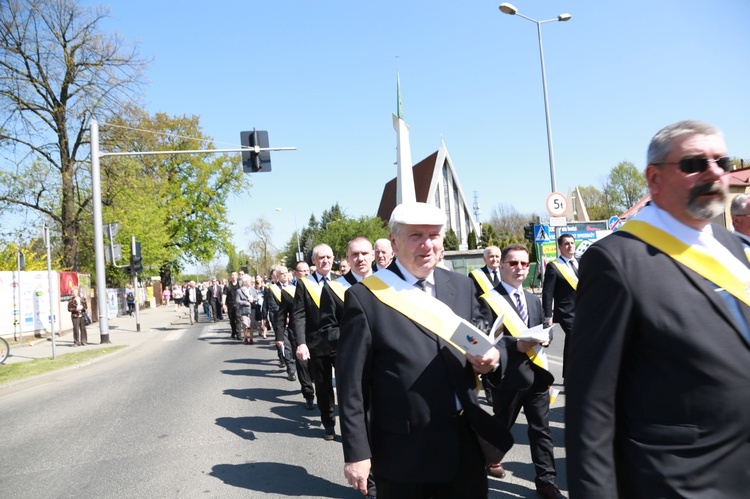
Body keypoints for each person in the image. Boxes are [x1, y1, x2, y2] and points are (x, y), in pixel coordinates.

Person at [566, 120, 750, 498]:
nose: (714, 172)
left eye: (722, 161)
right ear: (654, 178)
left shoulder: (730, 245)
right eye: (693, 163)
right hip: (679, 481)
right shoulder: (616, 260)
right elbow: (592, 408)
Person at [337, 202, 513, 498]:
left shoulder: (462, 286)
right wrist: (356, 452)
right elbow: (351, 384)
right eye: (416, 235)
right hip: (404, 453)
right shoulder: (365, 297)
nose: (427, 244)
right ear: (394, 241)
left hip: (464, 447)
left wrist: (494, 360)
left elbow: (487, 341)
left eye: (434, 235)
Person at [479, 244, 564, 499]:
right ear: (502, 265)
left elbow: (539, 329)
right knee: (500, 428)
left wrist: (544, 338)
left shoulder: (532, 299)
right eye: (513, 263)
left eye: (524, 264)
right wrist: (515, 344)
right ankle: (487, 459)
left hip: (536, 376)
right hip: (507, 378)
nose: (519, 269)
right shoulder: (487, 301)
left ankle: (546, 481)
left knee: (541, 430)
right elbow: (482, 341)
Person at [294, 243, 339, 440]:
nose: (325, 261)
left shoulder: (341, 281)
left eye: (328, 257)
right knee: (323, 385)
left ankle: (350, 422)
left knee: (348, 385)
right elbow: (299, 315)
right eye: (321, 257)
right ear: (313, 260)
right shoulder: (305, 284)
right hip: (317, 344)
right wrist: (301, 342)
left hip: (340, 342)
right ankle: (328, 422)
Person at [275, 261, 315, 399]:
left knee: (314, 364)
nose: (305, 273)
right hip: (297, 332)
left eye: (307, 271)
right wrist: (279, 337)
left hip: (315, 332)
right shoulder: (288, 292)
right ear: (295, 273)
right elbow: (281, 316)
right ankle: (308, 392)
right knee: (302, 363)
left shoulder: (315, 287)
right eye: (302, 271)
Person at [541, 233, 578, 376]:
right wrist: (547, 316)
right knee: (575, 337)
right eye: (566, 244)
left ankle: (569, 374)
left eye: (572, 243)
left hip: (583, 311)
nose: (570, 246)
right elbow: (547, 293)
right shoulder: (554, 266)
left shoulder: (580, 262)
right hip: (566, 312)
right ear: (560, 247)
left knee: (573, 342)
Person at [236, 275, 255, 345]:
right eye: (249, 280)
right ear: (245, 282)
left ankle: (251, 338)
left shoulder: (252, 289)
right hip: (244, 309)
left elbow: (256, 298)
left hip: (252, 308)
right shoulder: (239, 291)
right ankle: (245, 338)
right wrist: (245, 302)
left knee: (252, 323)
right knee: (245, 324)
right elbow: (237, 300)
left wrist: (253, 300)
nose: (251, 281)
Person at [222, 272, 241, 339]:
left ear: (237, 276)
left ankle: (239, 334)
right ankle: (233, 331)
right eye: (232, 275)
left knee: (238, 318)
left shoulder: (240, 284)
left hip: (238, 304)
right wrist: (224, 304)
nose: (233, 276)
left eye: (235, 275)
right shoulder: (227, 285)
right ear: (230, 276)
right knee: (232, 320)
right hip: (230, 304)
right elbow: (224, 295)